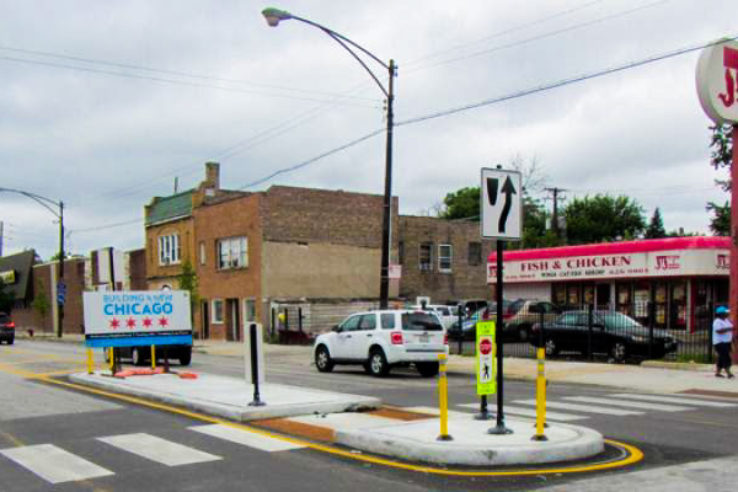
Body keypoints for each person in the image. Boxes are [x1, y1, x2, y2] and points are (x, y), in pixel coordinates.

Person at [712, 306, 734, 378]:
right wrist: (729, 328)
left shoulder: (726, 320)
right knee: (726, 357)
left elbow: (731, 328)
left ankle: (718, 373)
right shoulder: (717, 321)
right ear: (721, 314)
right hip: (720, 343)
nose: (728, 313)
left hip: (727, 342)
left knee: (721, 358)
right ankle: (729, 373)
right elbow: (718, 331)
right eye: (726, 312)